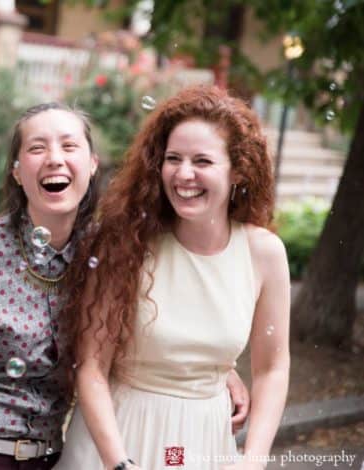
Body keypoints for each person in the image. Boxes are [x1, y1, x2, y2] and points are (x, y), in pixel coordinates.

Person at [0, 102, 250, 470]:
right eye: (37, 148)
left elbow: (143, 330)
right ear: (17, 172)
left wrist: (222, 370)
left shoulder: (111, 255)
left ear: (92, 165)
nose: (54, 158)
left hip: (51, 458)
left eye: (69, 146)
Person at [54, 85, 290, 470]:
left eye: (202, 161)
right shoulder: (125, 244)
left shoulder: (263, 254)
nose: (184, 174)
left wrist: (253, 459)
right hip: (116, 439)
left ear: (238, 170)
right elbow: (92, 368)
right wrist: (119, 464)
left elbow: (273, 368)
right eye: (173, 158)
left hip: (204, 442)